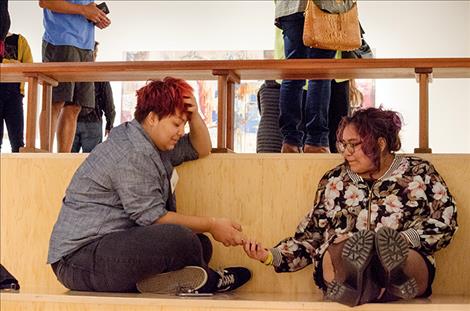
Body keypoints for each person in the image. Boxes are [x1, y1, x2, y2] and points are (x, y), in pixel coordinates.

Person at [47, 77, 251, 294]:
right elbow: (153, 218)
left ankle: (163, 282)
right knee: (183, 240)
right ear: (152, 118)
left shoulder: (154, 145)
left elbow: (200, 148)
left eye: (183, 124)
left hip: (105, 250)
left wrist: (195, 116)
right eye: (176, 123)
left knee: (200, 244)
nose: (181, 131)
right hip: (78, 260)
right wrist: (212, 224)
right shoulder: (132, 151)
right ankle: (209, 280)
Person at [243, 107, 458, 306]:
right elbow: (311, 237)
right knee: (345, 248)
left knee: (393, 253)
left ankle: (385, 274)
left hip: (408, 264)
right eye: (343, 144)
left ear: (380, 144)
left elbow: (446, 221)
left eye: (353, 144)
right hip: (341, 265)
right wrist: (271, 255)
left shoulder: (419, 172)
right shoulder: (334, 180)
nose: (346, 152)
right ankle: (355, 280)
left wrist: (405, 238)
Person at [38, 0, 111, 152]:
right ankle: (45, 157)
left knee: (75, 107)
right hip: (60, 41)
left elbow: (85, 7)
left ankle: (62, 161)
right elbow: (45, 2)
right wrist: (83, 10)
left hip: (86, 45)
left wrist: (95, 15)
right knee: (55, 102)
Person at [275, 0, 337, 153]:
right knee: (320, 73)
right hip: (325, 6)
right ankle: (316, 142)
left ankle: (290, 141)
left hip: (290, 7)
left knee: (293, 72)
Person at [72, 41, 115, 153]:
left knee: (67, 162)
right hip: (93, 122)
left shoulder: (71, 71)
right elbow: (108, 101)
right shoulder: (100, 74)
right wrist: (110, 123)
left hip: (71, 121)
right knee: (91, 165)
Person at [0, 32, 33, 152]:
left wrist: (4, 62)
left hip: (15, 95)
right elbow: (21, 66)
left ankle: (20, 170)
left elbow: (29, 67)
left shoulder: (20, 40)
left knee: (18, 141)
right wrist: (14, 64)